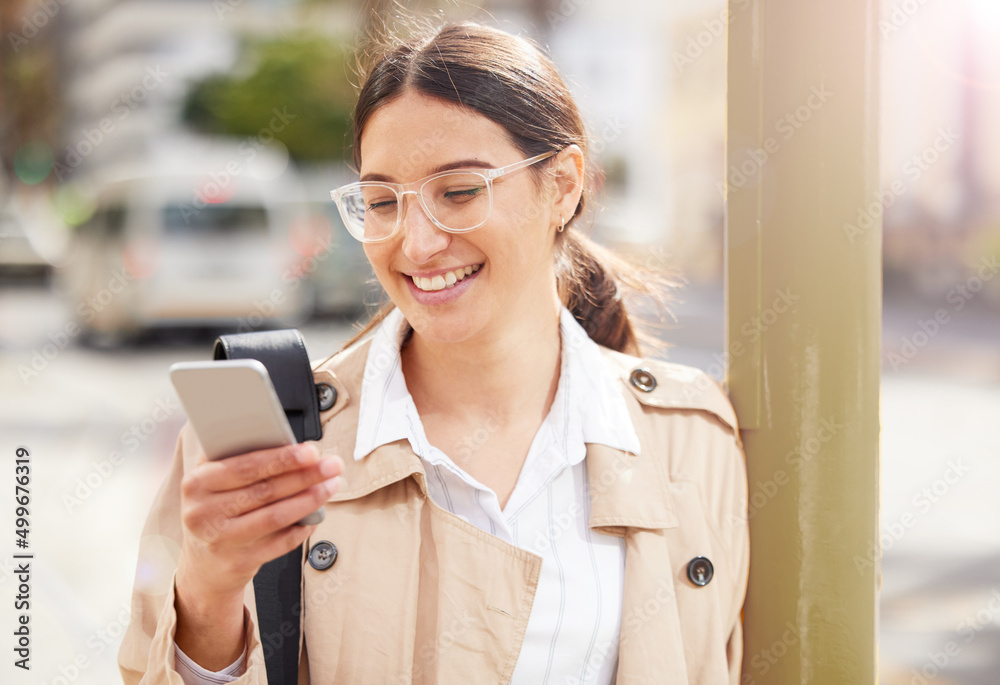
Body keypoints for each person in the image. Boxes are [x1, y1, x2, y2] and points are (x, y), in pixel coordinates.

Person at [119, 21, 748, 685]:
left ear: (562, 186)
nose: (416, 244)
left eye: (458, 192)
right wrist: (210, 590)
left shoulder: (691, 435)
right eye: (383, 201)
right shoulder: (267, 444)